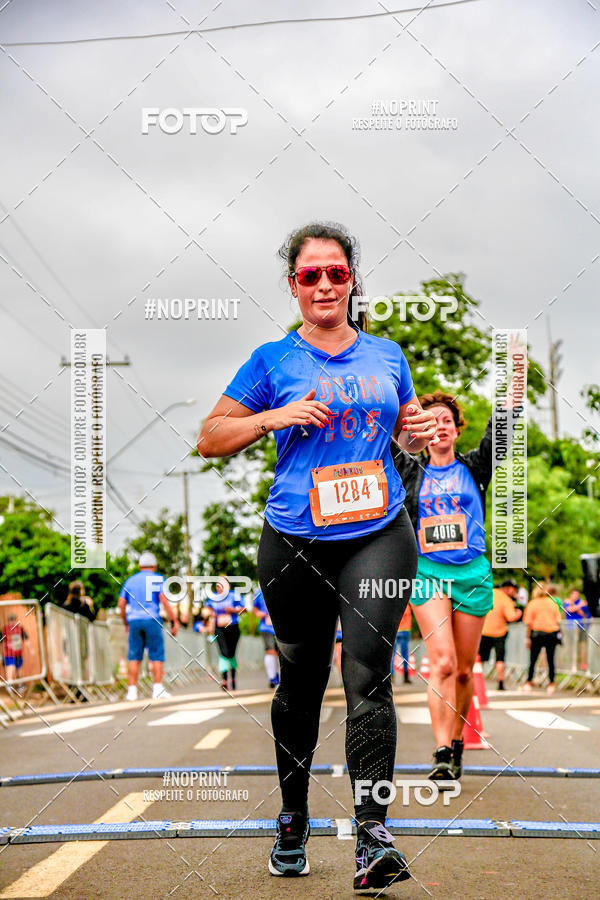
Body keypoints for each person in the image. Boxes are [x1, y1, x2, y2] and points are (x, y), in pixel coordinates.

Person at [199, 221, 437, 890]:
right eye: (311, 275)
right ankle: (294, 817)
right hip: (295, 539)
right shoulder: (272, 361)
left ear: (353, 280)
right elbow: (210, 438)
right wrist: (269, 419)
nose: (325, 284)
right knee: (301, 682)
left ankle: (372, 833)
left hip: (376, 533)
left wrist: (414, 434)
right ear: (294, 286)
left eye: (337, 273)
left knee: (370, 676)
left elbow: (407, 431)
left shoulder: (388, 354)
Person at [393, 377, 524, 786]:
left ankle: (457, 743)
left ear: (455, 428)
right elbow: (384, 435)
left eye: (447, 419)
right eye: (433, 421)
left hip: (471, 573)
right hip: (428, 574)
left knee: (465, 671)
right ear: (425, 431)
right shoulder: (409, 469)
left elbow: (497, 438)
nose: (441, 426)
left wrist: (510, 402)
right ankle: (441, 752)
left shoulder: (474, 467)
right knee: (444, 662)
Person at [118, 551, 179, 701]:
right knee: (156, 654)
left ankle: (132, 691)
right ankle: (157, 689)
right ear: (154, 566)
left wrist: (125, 622)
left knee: (134, 656)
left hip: (134, 621)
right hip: (152, 619)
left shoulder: (130, 581)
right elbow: (164, 601)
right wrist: (174, 621)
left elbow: (121, 604)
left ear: (139, 566)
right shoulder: (157, 579)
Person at [204, 577, 246, 691]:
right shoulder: (212, 597)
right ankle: (224, 680)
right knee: (224, 653)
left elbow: (245, 609)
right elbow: (207, 612)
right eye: (217, 586)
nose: (219, 588)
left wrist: (233, 610)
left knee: (231, 653)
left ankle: (232, 677)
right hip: (219, 629)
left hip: (233, 628)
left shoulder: (234, 595)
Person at [479, 579, 522, 690]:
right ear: (508, 588)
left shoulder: (488, 592)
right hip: (499, 633)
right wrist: (519, 613)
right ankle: (500, 682)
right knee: (500, 659)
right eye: (513, 589)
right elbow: (511, 617)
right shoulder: (506, 599)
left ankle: (477, 681)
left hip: (483, 630)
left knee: (481, 658)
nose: (515, 592)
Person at [522, 584, 563, 693]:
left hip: (537, 634)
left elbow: (528, 623)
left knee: (533, 659)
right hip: (551, 634)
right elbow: (558, 620)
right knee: (550, 660)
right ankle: (551, 684)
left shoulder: (532, 604)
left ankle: (528, 682)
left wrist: (527, 638)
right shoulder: (553, 603)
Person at [253, 588, 280, 688]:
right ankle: (272, 677)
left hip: (281, 628)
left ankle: (279, 678)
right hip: (266, 627)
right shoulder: (259, 592)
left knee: (281, 653)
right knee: (270, 651)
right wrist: (260, 614)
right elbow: (254, 608)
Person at [563, 587, 592, 672]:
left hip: (581, 628)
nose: (576, 596)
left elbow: (586, 613)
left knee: (582, 648)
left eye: (577, 595)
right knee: (571, 648)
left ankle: (582, 666)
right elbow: (569, 609)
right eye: (574, 594)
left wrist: (577, 608)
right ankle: (572, 666)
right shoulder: (567, 601)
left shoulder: (582, 602)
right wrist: (578, 607)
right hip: (570, 629)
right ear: (571, 594)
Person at [391, 604, 412, 684]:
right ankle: (406, 677)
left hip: (396, 631)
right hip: (405, 631)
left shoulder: (395, 605)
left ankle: (391, 676)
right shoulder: (408, 606)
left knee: (392, 655)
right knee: (405, 655)